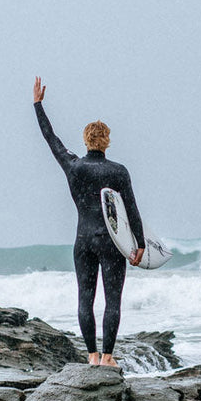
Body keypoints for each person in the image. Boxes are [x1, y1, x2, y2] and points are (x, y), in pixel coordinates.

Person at [34, 77, 144, 367]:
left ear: (85, 140)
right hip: (111, 242)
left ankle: (91, 356)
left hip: (83, 240)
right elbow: (131, 210)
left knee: (85, 298)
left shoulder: (74, 167)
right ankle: (108, 357)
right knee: (112, 300)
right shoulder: (119, 172)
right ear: (107, 140)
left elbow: (51, 139)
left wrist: (38, 105)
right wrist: (141, 244)